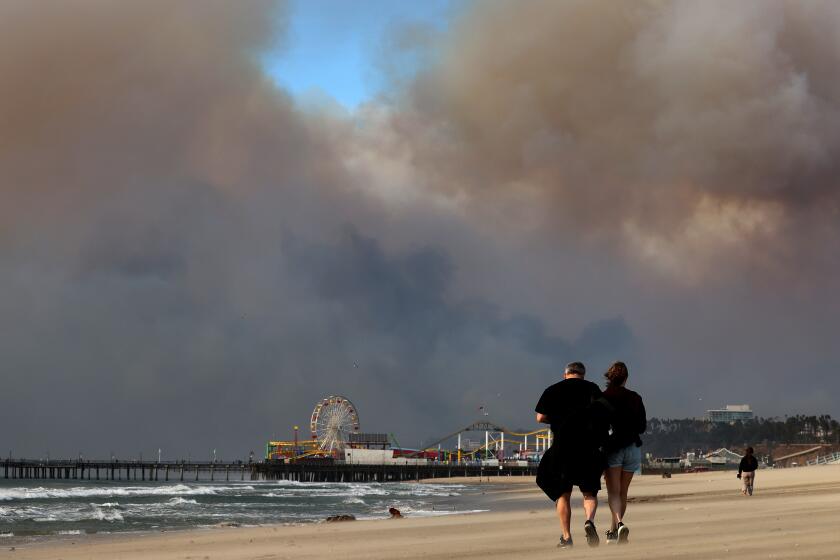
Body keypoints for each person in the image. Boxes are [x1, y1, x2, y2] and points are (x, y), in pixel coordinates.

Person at [535, 361, 612, 549]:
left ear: (565, 374)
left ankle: (567, 537)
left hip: (562, 448)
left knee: (563, 494)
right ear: (583, 375)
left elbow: (540, 417)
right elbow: (606, 413)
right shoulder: (592, 388)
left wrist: (560, 418)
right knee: (589, 492)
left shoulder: (552, 390)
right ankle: (589, 521)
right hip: (589, 448)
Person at [601, 361, 646, 545]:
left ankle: (619, 524)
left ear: (609, 377)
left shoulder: (604, 397)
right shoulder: (635, 398)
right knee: (623, 493)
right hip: (633, 447)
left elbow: (600, 426)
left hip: (614, 448)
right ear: (626, 378)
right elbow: (642, 427)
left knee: (613, 492)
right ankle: (614, 531)